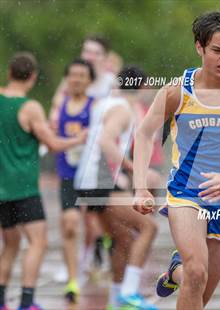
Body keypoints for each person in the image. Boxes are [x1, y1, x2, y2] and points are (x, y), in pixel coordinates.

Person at [133, 11, 220, 310]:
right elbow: (143, 135)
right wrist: (140, 187)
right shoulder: (176, 90)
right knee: (196, 273)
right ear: (199, 47)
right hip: (187, 192)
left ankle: (174, 270)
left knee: (200, 293)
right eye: (217, 51)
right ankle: (182, 269)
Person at [0, 52, 86, 310]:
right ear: (33, 76)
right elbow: (54, 144)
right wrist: (79, 138)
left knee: (11, 244)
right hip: (23, 187)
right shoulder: (30, 108)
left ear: (9, 73)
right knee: (38, 242)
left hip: (1, 187)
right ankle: (26, 302)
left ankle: (2, 300)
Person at [74, 66, 158, 310]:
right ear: (141, 87)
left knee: (123, 238)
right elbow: (105, 141)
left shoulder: (105, 102)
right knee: (147, 228)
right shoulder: (122, 110)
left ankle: (116, 299)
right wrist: (134, 169)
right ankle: (129, 293)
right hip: (100, 183)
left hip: (89, 181)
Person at [54, 59, 96, 303]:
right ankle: (72, 280)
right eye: (73, 75)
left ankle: (93, 258)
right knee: (69, 225)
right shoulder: (59, 104)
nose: (77, 79)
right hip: (67, 174)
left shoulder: (96, 106)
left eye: (82, 75)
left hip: (91, 175)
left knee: (94, 227)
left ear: (89, 80)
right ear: (67, 78)